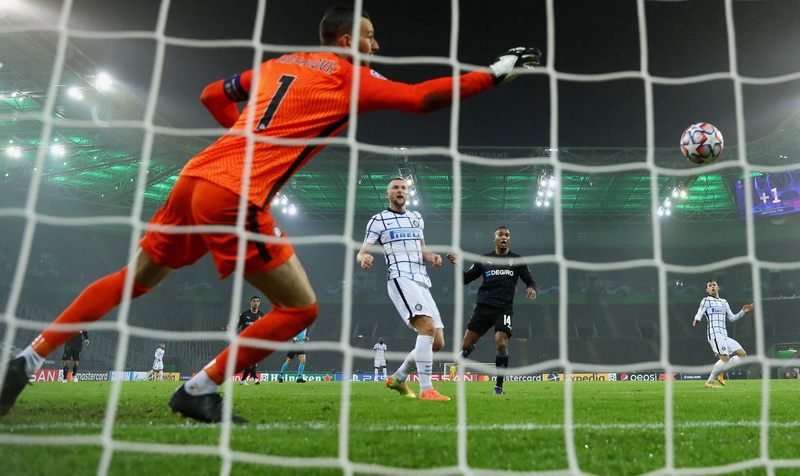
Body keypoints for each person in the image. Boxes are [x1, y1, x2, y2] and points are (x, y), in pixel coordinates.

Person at [0, 5, 540, 422]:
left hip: (194, 177)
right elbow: (422, 99)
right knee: (301, 309)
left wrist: (243, 140)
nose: (378, 44)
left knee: (132, 280)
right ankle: (198, 390)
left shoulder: (277, 64)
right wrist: (495, 73)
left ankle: (28, 358)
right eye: (371, 36)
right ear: (347, 41)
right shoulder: (346, 76)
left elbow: (211, 94)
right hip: (234, 194)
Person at [357, 177, 450, 401]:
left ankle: (398, 378)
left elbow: (422, 250)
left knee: (438, 342)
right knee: (427, 327)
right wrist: (364, 258)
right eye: (395, 188)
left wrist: (432, 257)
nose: (400, 191)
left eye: (403, 188)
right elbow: (362, 252)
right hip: (400, 278)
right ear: (387, 194)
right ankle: (426, 389)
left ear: (408, 193)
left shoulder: (416, 218)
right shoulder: (378, 220)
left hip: (422, 280)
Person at [446, 226, 536, 395]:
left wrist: (531, 287)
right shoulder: (484, 259)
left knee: (501, 343)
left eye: (507, 235)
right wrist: (457, 264)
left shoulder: (517, 260)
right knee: (466, 344)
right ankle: (467, 350)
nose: (504, 237)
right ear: (494, 239)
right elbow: (465, 279)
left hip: (504, 308)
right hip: (483, 307)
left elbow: (529, 279)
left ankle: (498, 387)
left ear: (509, 240)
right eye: (500, 235)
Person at [692, 280, 754, 388]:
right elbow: (700, 312)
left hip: (724, 335)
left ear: (718, 287)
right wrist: (697, 319)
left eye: (714, 285)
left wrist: (743, 311)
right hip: (715, 334)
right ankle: (710, 381)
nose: (712, 287)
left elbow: (732, 318)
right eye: (710, 286)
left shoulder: (724, 302)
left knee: (743, 355)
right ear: (707, 290)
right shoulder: (706, 300)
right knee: (725, 359)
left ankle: (721, 371)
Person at [237, 296, 265, 385]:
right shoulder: (244, 314)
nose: (255, 303)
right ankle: (253, 378)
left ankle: (246, 379)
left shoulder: (262, 315)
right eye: (254, 301)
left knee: (253, 362)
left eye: (257, 301)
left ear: (259, 303)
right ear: (251, 302)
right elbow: (237, 326)